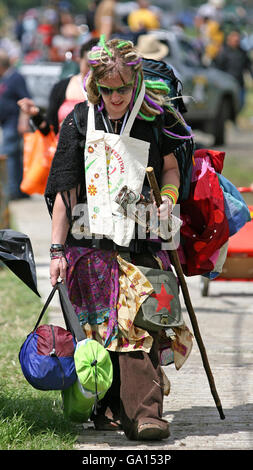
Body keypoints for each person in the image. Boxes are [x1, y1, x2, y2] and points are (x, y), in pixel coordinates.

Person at [45, 37, 192, 441]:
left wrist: (167, 200)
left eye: (123, 89)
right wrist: (57, 251)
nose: (115, 97)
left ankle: (147, 414)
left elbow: (170, 169)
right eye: (107, 90)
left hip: (141, 239)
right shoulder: (79, 120)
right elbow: (64, 189)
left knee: (136, 327)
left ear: (136, 82)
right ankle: (110, 411)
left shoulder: (152, 118)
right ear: (95, 86)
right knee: (99, 331)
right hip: (89, 245)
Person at [18, 39, 98, 138]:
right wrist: (35, 114)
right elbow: (49, 129)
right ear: (79, 60)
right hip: (65, 149)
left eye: (97, 66)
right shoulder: (62, 87)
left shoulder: (107, 90)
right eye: (88, 65)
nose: (92, 71)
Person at [0, 49, 31, 200]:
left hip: (13, 123)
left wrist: (23, 121)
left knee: (9, 156)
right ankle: (18, 190)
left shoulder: (15, 78)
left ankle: (12, 191)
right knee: (14, 157)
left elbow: (25, 100)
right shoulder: (4, 78)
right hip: (6, 123)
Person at [214, 29, 253, 110]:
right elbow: (218, 68)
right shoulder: (223, 52)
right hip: (227, 84)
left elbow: (249, 66)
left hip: (239, 84)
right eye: (234, 38)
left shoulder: (242, 52)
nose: (236, 40)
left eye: (238, 39)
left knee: (241, 104)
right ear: (229, 39)